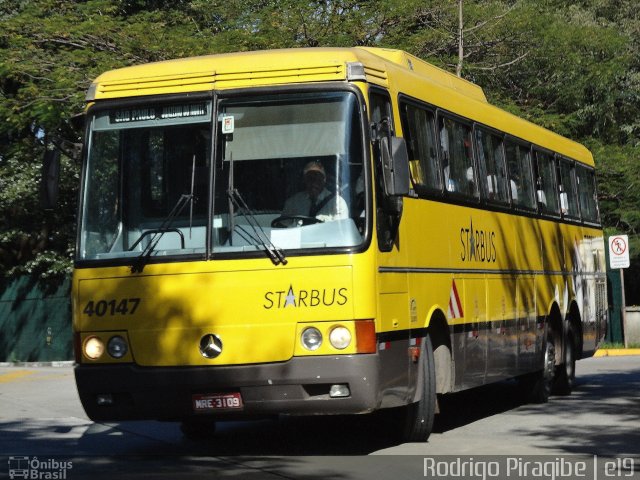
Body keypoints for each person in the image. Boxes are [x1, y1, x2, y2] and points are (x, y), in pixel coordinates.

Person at [282, 160, 348, 222]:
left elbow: (340, 230)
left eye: (318, 178)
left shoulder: (337, 203)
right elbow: (282, 227)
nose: (314, 182)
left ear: (324, 180)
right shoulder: (293, 202)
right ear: (304, 180)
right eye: (310, 178)